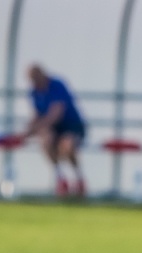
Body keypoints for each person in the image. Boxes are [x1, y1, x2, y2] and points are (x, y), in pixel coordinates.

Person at [22, 64, 86, 198]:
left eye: (35, 78)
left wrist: (35, 129)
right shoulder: (34, 92)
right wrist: (27, 131)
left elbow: (56, 113)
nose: (34, 82)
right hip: (54, 129)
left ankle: (79, 179)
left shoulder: (57, 85)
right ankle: (61, 179)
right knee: (45, 140)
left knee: (67, 146)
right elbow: (37, 115)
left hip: (72, 125)